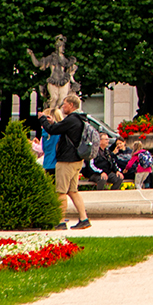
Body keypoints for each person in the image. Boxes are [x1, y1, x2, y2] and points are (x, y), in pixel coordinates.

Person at [39, 95, 91, 229]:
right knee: (73, 191)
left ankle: (60, 221)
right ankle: (84, 219)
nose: (63, 107)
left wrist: (43, 120)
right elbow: (59, 128)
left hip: (66, 161)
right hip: (77, 160)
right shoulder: (80, 119)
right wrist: (52, 123)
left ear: (72, 106)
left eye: (65, 104)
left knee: (60, 191)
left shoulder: (71, 119)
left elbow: (52, 130)